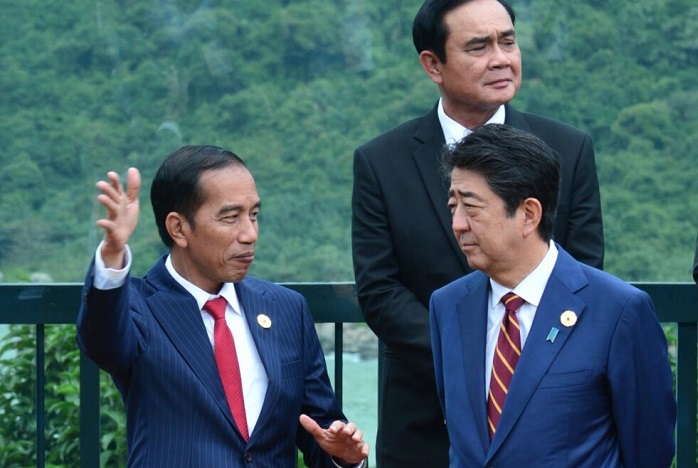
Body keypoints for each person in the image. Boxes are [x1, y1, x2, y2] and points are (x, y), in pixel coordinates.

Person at [351, 0, 603, 465]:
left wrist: (524, 364)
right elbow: (380, 290)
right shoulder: (381, 162)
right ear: (433, 64)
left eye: (508, 41)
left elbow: (584, 273)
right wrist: (466, 358)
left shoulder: (569, 150)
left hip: (549, 416)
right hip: (423, 422)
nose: (502, 58)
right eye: (479, 46)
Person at [76, 145, 369, 467]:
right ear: (179, 228)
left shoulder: (286, 309)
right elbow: (102, 342)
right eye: (230, 218)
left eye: (254, 215)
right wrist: (113, 253)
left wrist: (345, 457)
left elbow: (319, 428)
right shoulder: (138, 307)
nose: (250, 233)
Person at [430, 123, 675, 466]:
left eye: (471, 208)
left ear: (528, 214)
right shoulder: (448, 305)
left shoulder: (619, 310)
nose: (457, 223)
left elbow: (649, 450)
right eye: (453, 206)